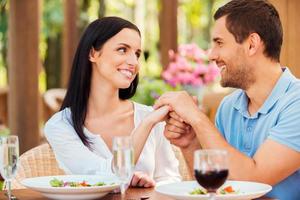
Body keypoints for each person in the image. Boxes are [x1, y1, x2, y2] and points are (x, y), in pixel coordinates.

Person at [154, 0, 300, 199]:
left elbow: (254, 181)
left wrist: (197, 118)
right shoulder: (229, 107)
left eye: (219, 43)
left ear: (251, 44)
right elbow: (215, 189)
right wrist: (190, 143)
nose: (211, 55)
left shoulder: (296, 102)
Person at [44, 16, 181, 188]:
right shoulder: (60, 126)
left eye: (137, 54)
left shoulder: (147, 115)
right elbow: (106, 176)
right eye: (123, 50)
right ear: (93, 53)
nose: (133, 62)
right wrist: (147, 124)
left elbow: (171, 179)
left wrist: (152, 186)